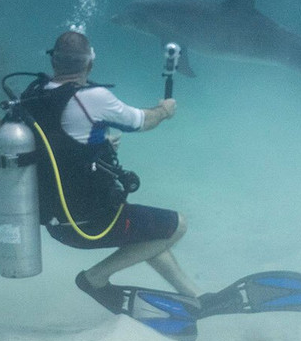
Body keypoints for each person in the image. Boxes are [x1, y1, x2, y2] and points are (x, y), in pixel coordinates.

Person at [20, 31, 200, 307]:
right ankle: (95, 278)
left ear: (53, 62)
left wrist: (99, 146)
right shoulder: (94, 98)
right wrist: (164, 110)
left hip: (55, 222)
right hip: (93, 221)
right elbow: (142, 121)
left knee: (149, 233)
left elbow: (55, 145)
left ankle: (195, 297)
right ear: (90, 63)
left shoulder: (33, 95)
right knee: (176, 226)